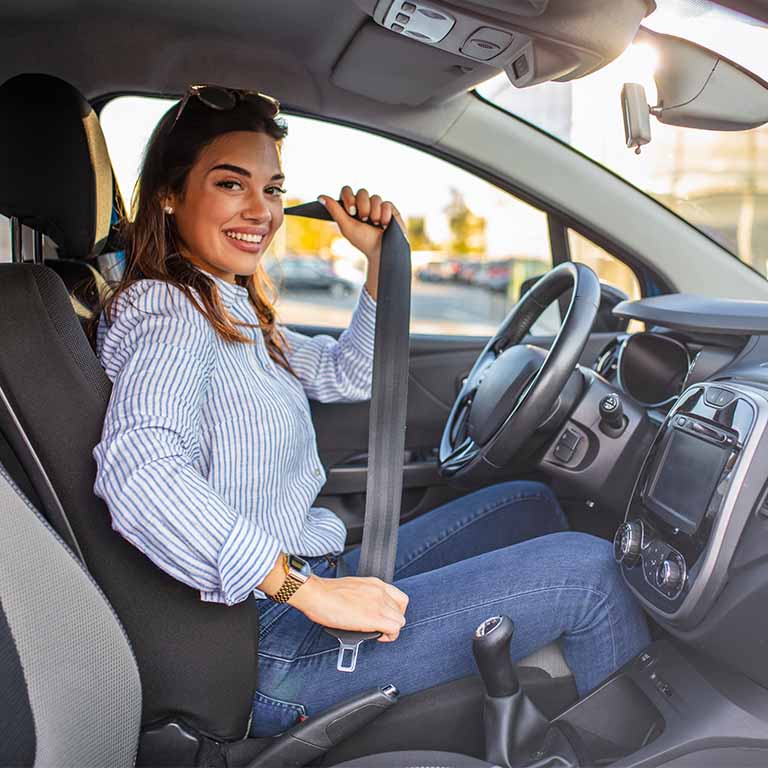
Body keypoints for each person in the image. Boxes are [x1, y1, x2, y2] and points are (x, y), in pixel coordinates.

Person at [93, 85, 650, 738]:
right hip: (267, 639)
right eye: (230, 184)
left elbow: (348, 373)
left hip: (306, 570)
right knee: (591, 575)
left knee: (527, 503)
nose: (262, 211)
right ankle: (639, 747)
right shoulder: (166, 314)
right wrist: (307, 592)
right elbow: (140, 473)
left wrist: (380, 262)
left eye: (272, 189)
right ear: (168, 194)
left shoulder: (228, 303)